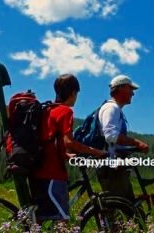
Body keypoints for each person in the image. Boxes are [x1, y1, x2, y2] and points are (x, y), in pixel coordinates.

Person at [30, 74, 106, 223]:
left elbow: (51, 141)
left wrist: (68, 156)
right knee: (62, 222)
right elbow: (69, 142)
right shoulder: (65, 111)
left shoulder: (48, 109)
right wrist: (96, 152)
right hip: (53, 173)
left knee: (40, 221)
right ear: (73, 93)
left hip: (38, 172)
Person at [96, 74, 149, 202]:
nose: (132, 94)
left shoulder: (114, 108)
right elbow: (111, 136)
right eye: (130, 89)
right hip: (111, 168)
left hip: (115, 167)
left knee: (128, 207)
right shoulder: (111, 108)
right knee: (120, 208)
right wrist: (137, 143)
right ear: (121, 89)